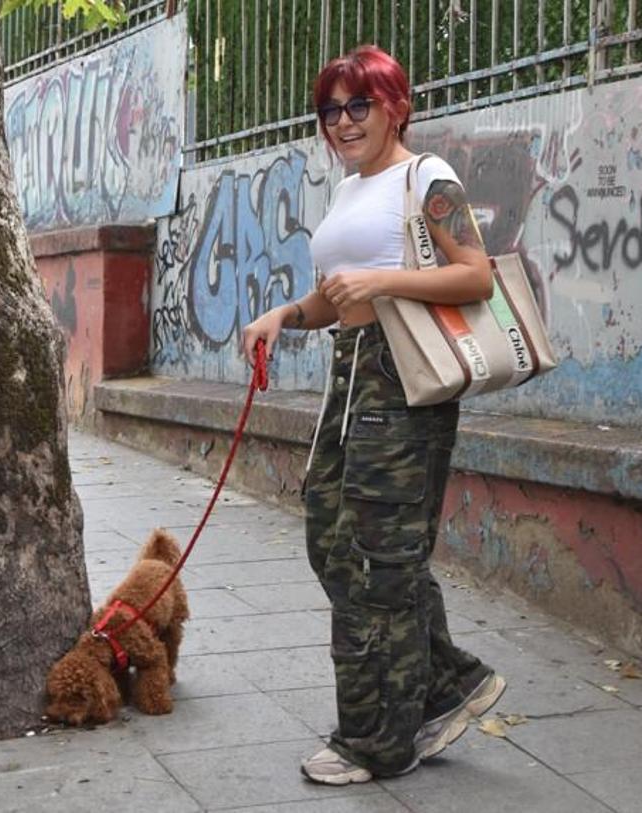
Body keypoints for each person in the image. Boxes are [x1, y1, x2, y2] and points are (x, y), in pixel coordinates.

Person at [242, 45, 507, 785]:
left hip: (403, 379)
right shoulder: (352, 189)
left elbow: (477, 273)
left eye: (359, 104)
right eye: (330, 109)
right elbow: (336, 295)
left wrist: (383, 281)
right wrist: (286, 313)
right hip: (351, 373)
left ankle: (376, 739)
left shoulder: (428, 179)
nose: (343, 121)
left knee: (376, 562)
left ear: (397, 106)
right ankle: (447, 676)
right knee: (331, 539)